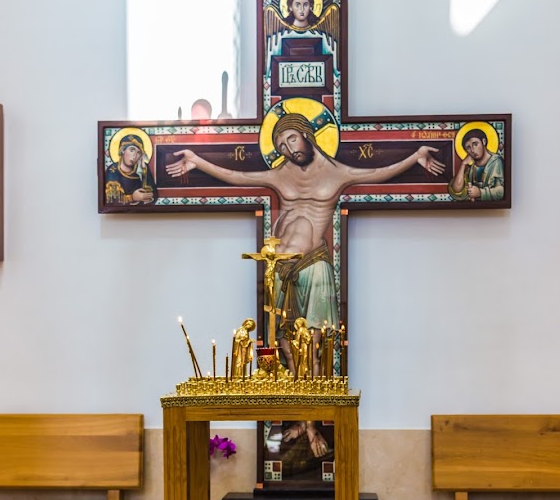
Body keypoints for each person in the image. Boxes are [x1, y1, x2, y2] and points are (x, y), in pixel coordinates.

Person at [166, 112, 444, 451]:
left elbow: (377, 172)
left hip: (315, 267)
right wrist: (197, 159)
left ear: (306, 134)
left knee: (311, 348)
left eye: (291, 139)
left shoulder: (337, 172)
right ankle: (302, 421)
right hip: (281, 269)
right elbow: (237, 176)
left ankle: (312, 428)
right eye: (281, 145)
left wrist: (415, 157)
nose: (288, 149)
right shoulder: (279, 173)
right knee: (285, 349)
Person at [448, 128, 504, 202]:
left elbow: (501, 192)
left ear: (483, 141)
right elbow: (457, 190)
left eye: (475, 144)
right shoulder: (471, 167)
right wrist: (463, 164)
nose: (473, 150)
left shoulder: (496, 162)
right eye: (468, 148)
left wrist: (480, 193)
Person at [105, 134, 157, 205]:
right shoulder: (112, 170)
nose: (135, 156)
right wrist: (132, 197)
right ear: (123, 150)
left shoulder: (142, 168)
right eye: (132, 150)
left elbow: (153, 195)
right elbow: (112, 200)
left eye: (138, 152)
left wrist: (144, 172)